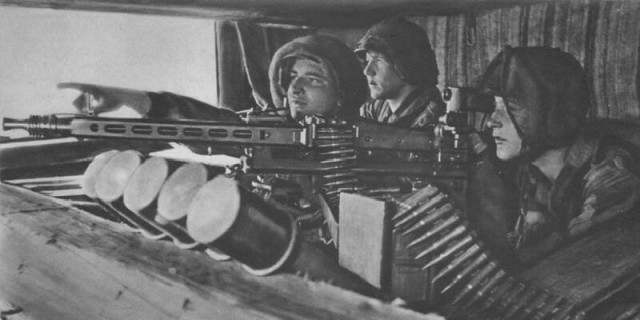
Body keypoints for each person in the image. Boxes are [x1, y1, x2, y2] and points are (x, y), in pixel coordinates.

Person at [469, 46, 640, 264]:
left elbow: (575, 264)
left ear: (550, 112)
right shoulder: (530, 171)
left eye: (510, 108)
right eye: (495, 106)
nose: (492, 121)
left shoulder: (613, 171)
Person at [355, 17, 445, 129]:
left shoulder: (435, 121)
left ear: (406, 64)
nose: (367, 71)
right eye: (368, 60)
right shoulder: (372, 112)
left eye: (379, 60)